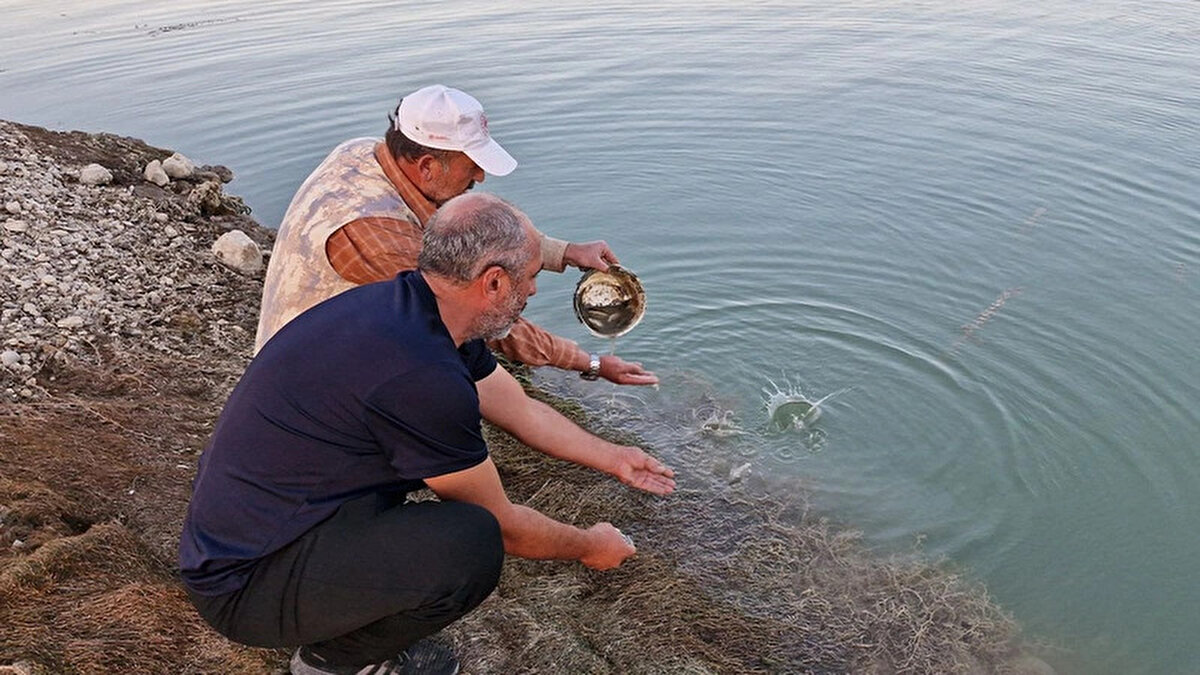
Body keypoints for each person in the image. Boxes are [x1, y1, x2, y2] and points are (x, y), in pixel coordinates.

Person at [180, 193, 676, 675]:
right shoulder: (421, 374)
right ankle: (333, 662)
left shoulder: (418, 309)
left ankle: (334, 615)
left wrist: (614, 457)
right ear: (495, 282)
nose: (533, 291)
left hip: (263, 525)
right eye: (528, 278)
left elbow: (520, 409)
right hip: (243, 584)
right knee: (471, 544)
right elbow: (504, 526)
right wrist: (592, 545)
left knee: (436, 505)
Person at [255, 83, 657, 386]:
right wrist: (589, 363)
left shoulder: (366, 152)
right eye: (472, 166)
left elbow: (458, 235)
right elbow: (484, 313)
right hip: (306, 378)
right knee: (460, 368)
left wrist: (565, 253)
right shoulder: (375, 234)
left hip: (337, 338)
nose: (480, 177)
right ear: (428, 164)